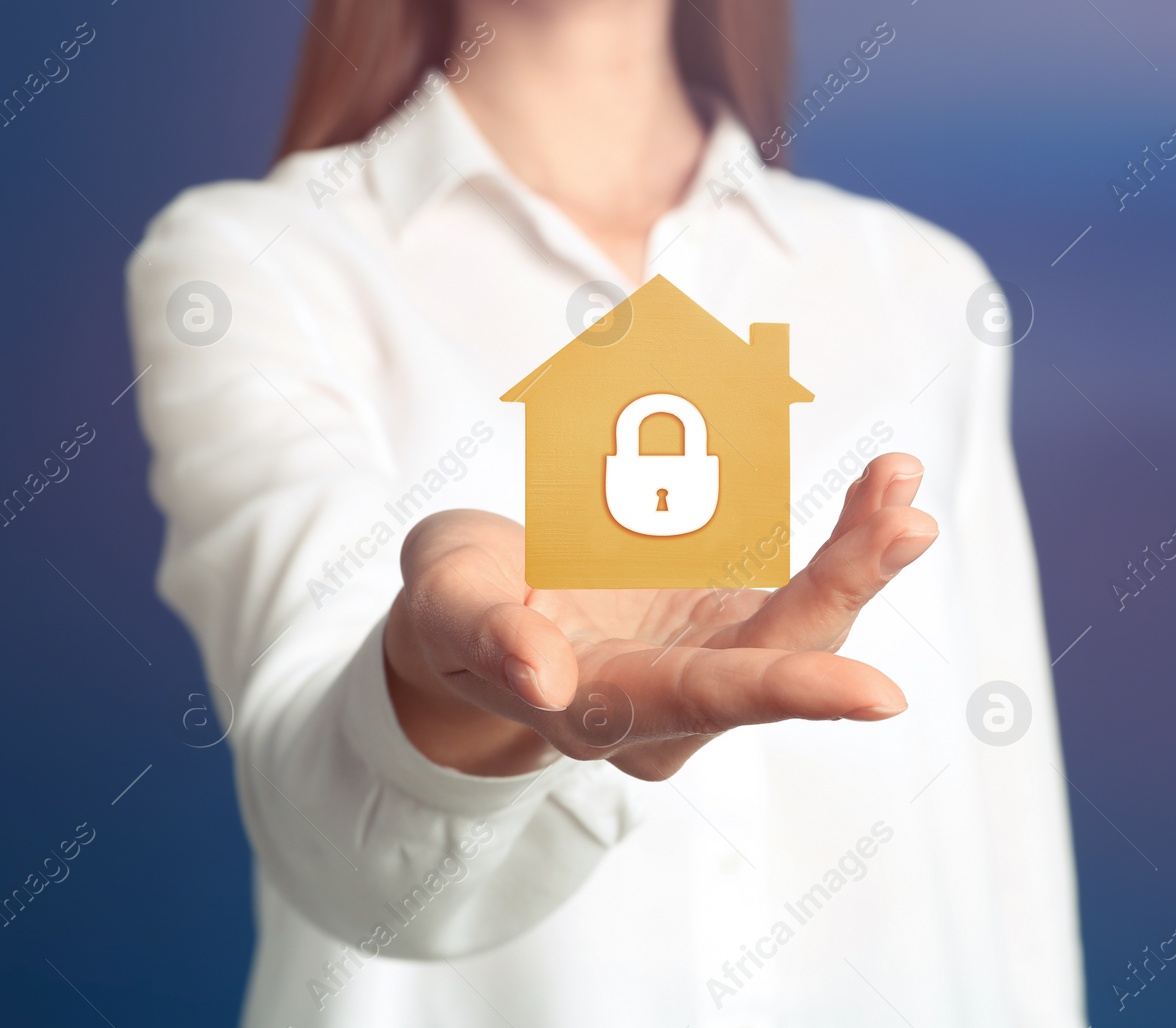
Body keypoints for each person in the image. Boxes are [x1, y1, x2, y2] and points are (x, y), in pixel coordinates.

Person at [126, 0, 1086, 1023]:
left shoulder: (918, 287)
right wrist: (449, 679)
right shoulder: (259, 264)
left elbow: (1002, 835)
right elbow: (337, 842)